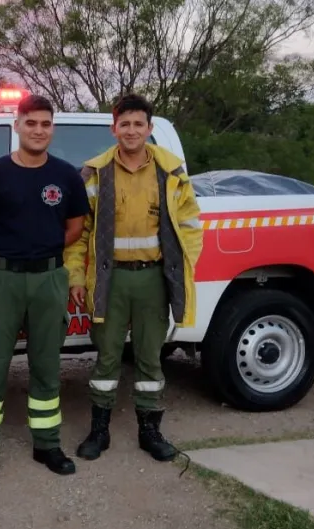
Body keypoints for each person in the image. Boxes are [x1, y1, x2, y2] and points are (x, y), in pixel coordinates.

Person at [64, 92, 203, 464]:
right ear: (114, 129)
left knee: (150, 358)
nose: (131, 130)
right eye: (124, 124)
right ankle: (99, 430)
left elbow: (190, 225)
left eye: (138, 124)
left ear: (149, 128)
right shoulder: (94, 173)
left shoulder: (171, 173)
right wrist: (76, 277)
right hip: (110, 281)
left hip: (153, 279)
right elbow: (79, 232)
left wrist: (181, 270)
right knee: (107, 358)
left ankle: (150, 430)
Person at [0, 94, 90, 480]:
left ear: (53, 128)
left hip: (49, 278)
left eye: (45, 124)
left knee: (47, 365)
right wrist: (4, 253)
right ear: (17, 125)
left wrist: (42, 252)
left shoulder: (66, 176)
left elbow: (76, 227)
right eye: (30, 123)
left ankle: (47, 444)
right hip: (1, 280)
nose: (38, 130)